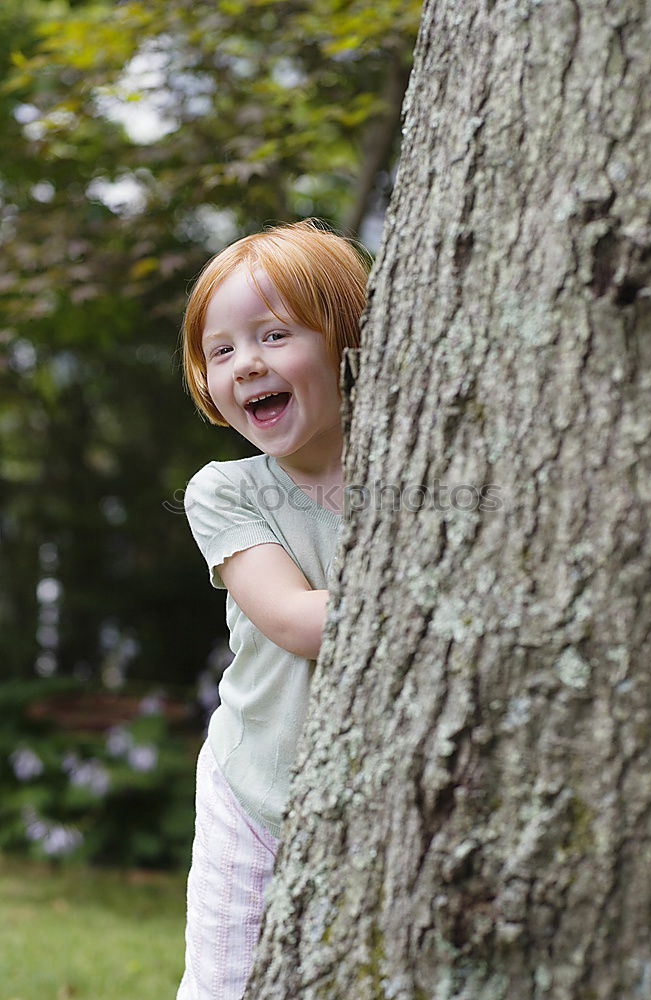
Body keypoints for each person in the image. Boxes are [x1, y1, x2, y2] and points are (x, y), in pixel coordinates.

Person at [177, 220, 369, 1000]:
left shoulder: (420, 461)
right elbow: (295, 620)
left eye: (274, 334)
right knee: (226, 985)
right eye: (221, 351)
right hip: (253, 786)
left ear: (347, 341)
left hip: (369, 794)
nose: (246, 362)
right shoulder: (226, 491)